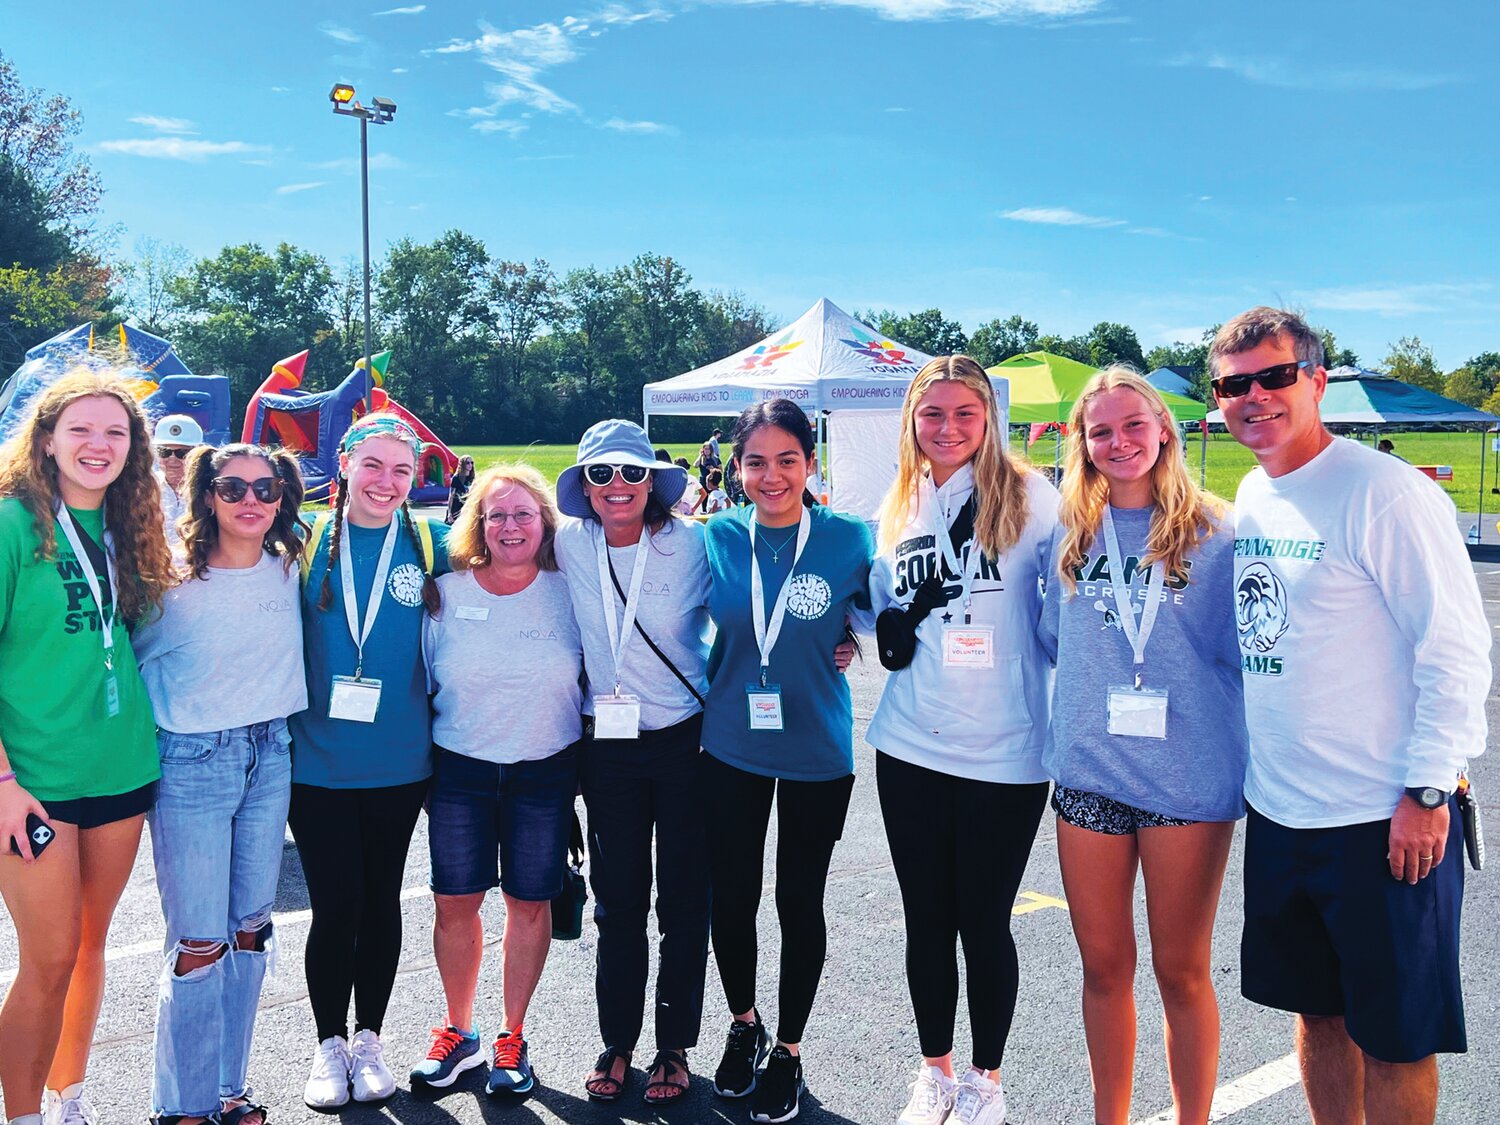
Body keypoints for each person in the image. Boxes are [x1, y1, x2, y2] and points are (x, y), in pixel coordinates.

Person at [1211, 307, 1489, 1125]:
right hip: (1285, 813)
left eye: (1274, 376)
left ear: (1318, 381)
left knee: (1398, 1039)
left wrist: (1428, 792)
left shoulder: (1385, 494)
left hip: (1383, 819)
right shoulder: (1258, 491)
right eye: (1234, 384)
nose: (1254, 396)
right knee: (1319, 1014)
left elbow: (1457, 651)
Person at [1039, 368, 1246, 1125]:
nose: (1119, 442)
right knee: (1102, 968)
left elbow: (1250, 659)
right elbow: (1048, 640)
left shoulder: (1218, 534)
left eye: (1133, 425)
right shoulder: (1065, 534)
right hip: (1089, 774)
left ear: (1165, 428)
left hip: (1188, 783)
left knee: (1182, 970)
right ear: (1083, 444)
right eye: (1101, 431)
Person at [866, 356, 1058, 1125]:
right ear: (911, 420)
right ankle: (936, 1071)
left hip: (1006, 750)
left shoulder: (1035, 496)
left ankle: (987, 1079)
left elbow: (1071, 603)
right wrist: (863, 634)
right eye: (931, 414)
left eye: (963, 414)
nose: (947, 429)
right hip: (910, 743)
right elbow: (881, 612)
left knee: (985, 921)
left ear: (989, 420)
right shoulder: (897, 501)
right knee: (925, 920)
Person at [0, 368, 176, 1125]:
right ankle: (23, 1113)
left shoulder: (132, 525)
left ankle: (70, 1098)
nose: (98, 444)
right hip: (31, 778)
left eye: (116, 431)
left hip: (121, 765)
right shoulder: (12, 523)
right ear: (46, 440)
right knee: (46, 957)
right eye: (81, 429)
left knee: (89, 946)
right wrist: (2, 778)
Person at [700, 398, 874, 1125]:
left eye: (788, 460)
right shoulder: (713, 535)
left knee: (798, 902)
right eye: (756, 462)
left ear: (811, 462)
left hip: (814, 748)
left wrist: (855, 638)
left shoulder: (849, 537)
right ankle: (746, 1023)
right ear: (737, 467)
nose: (771, 477)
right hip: (730, 745)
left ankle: (791, 1051)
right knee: (731, 900)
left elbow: (876, 617)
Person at [133, 443, 309, 1125]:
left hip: (272, 754)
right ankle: (182, 1106)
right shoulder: (170, 581)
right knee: (199, 940)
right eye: (231, 487)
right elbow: (126, 666)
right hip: (191, 763)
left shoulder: (289, 569)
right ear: (205, 494)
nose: (250, 500)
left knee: (251, 931)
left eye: (264, 488)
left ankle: (229, 1091)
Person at [290, 413, 450, 1109]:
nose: (387, 482)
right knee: (334, 905)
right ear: (345, 461)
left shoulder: (434, 540)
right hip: (316, 763)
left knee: (381, 899)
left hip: (401, 761)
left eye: (402, 471)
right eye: (374, 465)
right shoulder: (299, 540)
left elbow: (523, 562)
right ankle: (328, 1043)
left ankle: (369, 1038)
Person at [551, 420, 712, 1106]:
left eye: (631, 472)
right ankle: (617, 1038)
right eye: (601, 473)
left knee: (682, 896)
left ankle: (673, 1044)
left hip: (683, 736)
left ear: (654, 482)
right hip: (606, 743)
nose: (617, 486)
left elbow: (758, 592)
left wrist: (840, 640)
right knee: (617, 900)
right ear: (584, 486)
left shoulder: (694, 544)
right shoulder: (565, 543)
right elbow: (484, 541)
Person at [410, 464, 580, 1100]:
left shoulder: (571, 590)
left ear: (545, 523)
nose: (509, 526)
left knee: (529, 904)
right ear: (477, 523)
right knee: (455, 903)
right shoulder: (447, 593)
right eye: (496, 515)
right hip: (460, 767)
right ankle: (459, 1032)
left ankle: (512, 1035)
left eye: (523, 514)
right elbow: (425, 679)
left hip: (546, 767)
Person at [153, 414, 202, 551]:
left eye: (182, 453)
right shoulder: (145, 489)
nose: (172, 459)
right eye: (165, 452)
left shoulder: (209, 491)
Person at [445, 455, 476, 525]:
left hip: (466, 509)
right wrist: (449, 513)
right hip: (456, 508)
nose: (470, 465)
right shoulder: (456, 478)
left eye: (472, 463)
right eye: (467, 463)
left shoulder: (472, 478)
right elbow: (451, 496)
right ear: (463, 464)